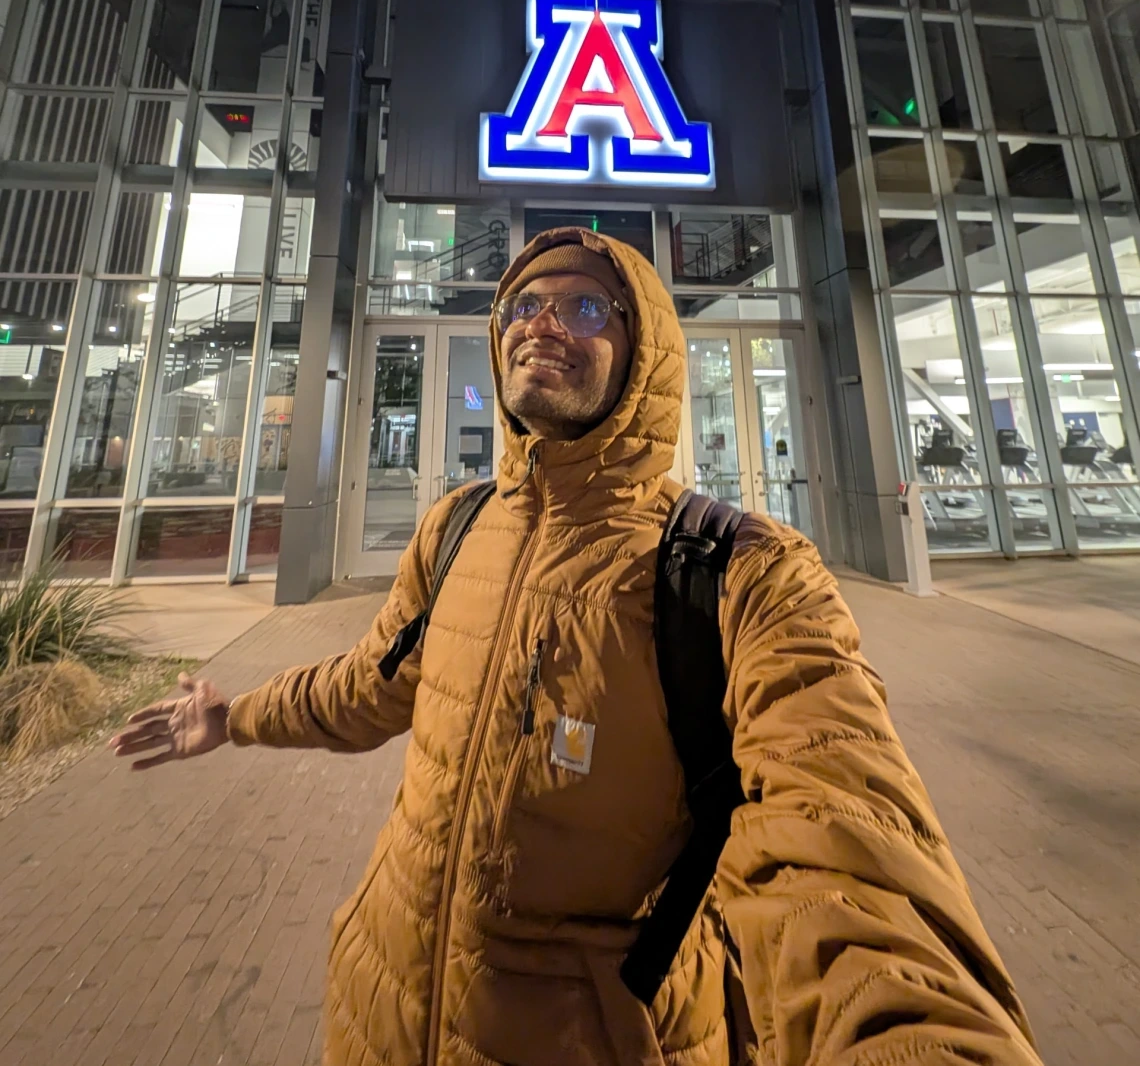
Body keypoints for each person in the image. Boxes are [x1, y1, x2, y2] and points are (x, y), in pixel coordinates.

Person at [113, 228, 1042, 1066]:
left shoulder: (742, 574)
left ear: (646, 359)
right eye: (524, 304)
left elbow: (844, 854)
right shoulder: (457, 527)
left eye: (585, 307)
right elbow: (369, 686)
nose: (542, 324)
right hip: (380, 1013)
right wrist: (233, 717)